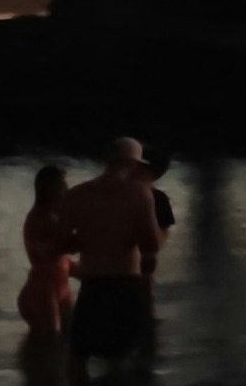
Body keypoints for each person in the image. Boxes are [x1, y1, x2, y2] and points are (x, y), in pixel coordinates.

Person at [55, 139, 171, 363]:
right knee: (121, 363)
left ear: (106, 160)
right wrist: (162, 232)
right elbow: (150, 246)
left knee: (78, 361)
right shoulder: (140, 194)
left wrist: (90, 237)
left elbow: (59, 245)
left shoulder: (77, 194)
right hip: (125, 285)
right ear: (134, 164)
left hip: (91, 286)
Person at [19, 165, 76, 337]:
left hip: (61, 287)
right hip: (42, 291)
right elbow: (65, 245)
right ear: (49, 189)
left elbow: (62, 258)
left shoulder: (56, 215)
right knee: (52, 339)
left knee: (69, 337)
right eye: (62, 186)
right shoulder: (42, 217)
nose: (67, 189)